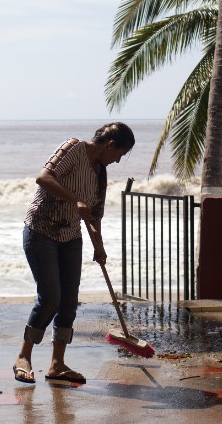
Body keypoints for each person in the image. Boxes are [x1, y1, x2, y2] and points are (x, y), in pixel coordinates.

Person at [12, 122, 135, 384]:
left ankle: (57, 364)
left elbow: (94, 215)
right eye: (119, 154)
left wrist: (98, 246)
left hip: (71, 237)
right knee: (50, 298)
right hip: (40, 231)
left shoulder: (100, 174)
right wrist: (74, 200)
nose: (117, 161)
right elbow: (43, 178)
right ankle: (24, 355)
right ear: (110, 145)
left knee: (69, 301)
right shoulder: (73, 147)